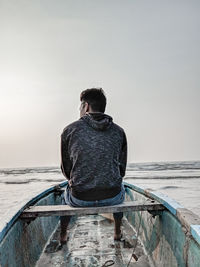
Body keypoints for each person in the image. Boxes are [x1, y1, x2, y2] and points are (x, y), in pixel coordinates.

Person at [60, 88, 127, 244]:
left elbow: (66, 169)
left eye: (80, 106)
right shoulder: (119, 131)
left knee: (64, 195)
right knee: (122, 186)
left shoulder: (69, 130)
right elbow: (121, 169)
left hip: (79, 198)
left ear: (86, 106)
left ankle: (63, 235)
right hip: (113, 197)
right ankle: (117, 232)